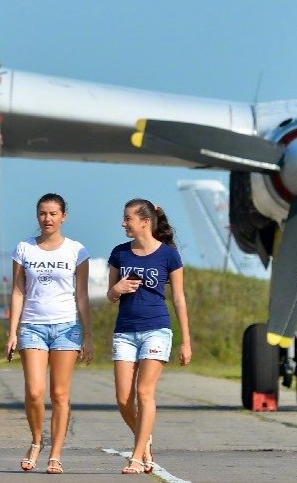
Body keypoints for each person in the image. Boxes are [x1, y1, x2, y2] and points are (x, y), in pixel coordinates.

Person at [5, 193, 94, 475]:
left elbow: (82, 295)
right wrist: (12, 331)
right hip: (32, 326)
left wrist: (88, 334)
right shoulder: (24, 248)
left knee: (59, 394)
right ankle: (36, 441)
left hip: (66, 327)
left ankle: (55, 454)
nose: (48, 219)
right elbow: (18, 291)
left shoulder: (77, 251)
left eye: (54, 213)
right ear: (37, 215)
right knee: (34, 391)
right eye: (43, 213)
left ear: (63, 216)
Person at [106, 198, 192, 475]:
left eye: (128, 218)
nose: (123, 223)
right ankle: (145, 440)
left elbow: (179, 299)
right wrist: (117, 289)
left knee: (144, 392)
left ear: (145, 222)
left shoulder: (169, 255)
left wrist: (186, 341)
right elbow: (110, 295)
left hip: (156, 329)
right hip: (125, 331)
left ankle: (137, 457)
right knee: (123, 399)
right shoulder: (120, 253)